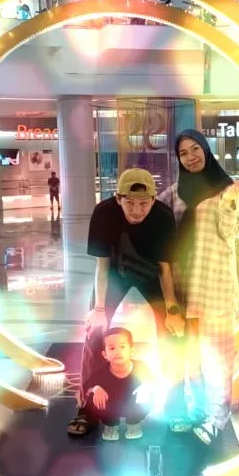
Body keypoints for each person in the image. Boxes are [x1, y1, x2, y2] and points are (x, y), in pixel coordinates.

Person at [67, 168, 184, 435]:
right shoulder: (104, 213)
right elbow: (101, 267)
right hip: (114, 275)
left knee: (174, 334)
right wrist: (98, 310)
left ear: (154, 200)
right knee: (95, 333)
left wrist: (172, 310)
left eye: (143, 203)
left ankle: (175, 406)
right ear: (118, 198)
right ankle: (89, 408)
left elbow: (166, 270)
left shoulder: (163, 217)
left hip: (152, 277)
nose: (136, 210)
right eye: (129, 202)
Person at [159, 130, 239, 444]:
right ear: (178, 158)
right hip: (185, 285)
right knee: (191, 357)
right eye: (183, 153)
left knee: (218, 359)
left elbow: (229, 231)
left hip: (214, 284)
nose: (191, 156)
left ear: (206, 150)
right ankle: (197, 410)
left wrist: (231, 205)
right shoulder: (175, 193)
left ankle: (217, 417)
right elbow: (156, 220)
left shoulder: (226, 189)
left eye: (196, 149)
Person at [68, 327, 153, 440]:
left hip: (132, 403)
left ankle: (133, 423)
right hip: (112, 404)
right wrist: (96, 388)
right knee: (94, 395)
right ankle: (111, 424)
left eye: (122, 347)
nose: (118, 352)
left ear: (131, 351)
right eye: (112, 348)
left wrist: (146, 387)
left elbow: (154, 381)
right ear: (105, 355)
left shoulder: (141, 367)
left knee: (148, 393)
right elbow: (87, 386)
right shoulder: (100, 372)